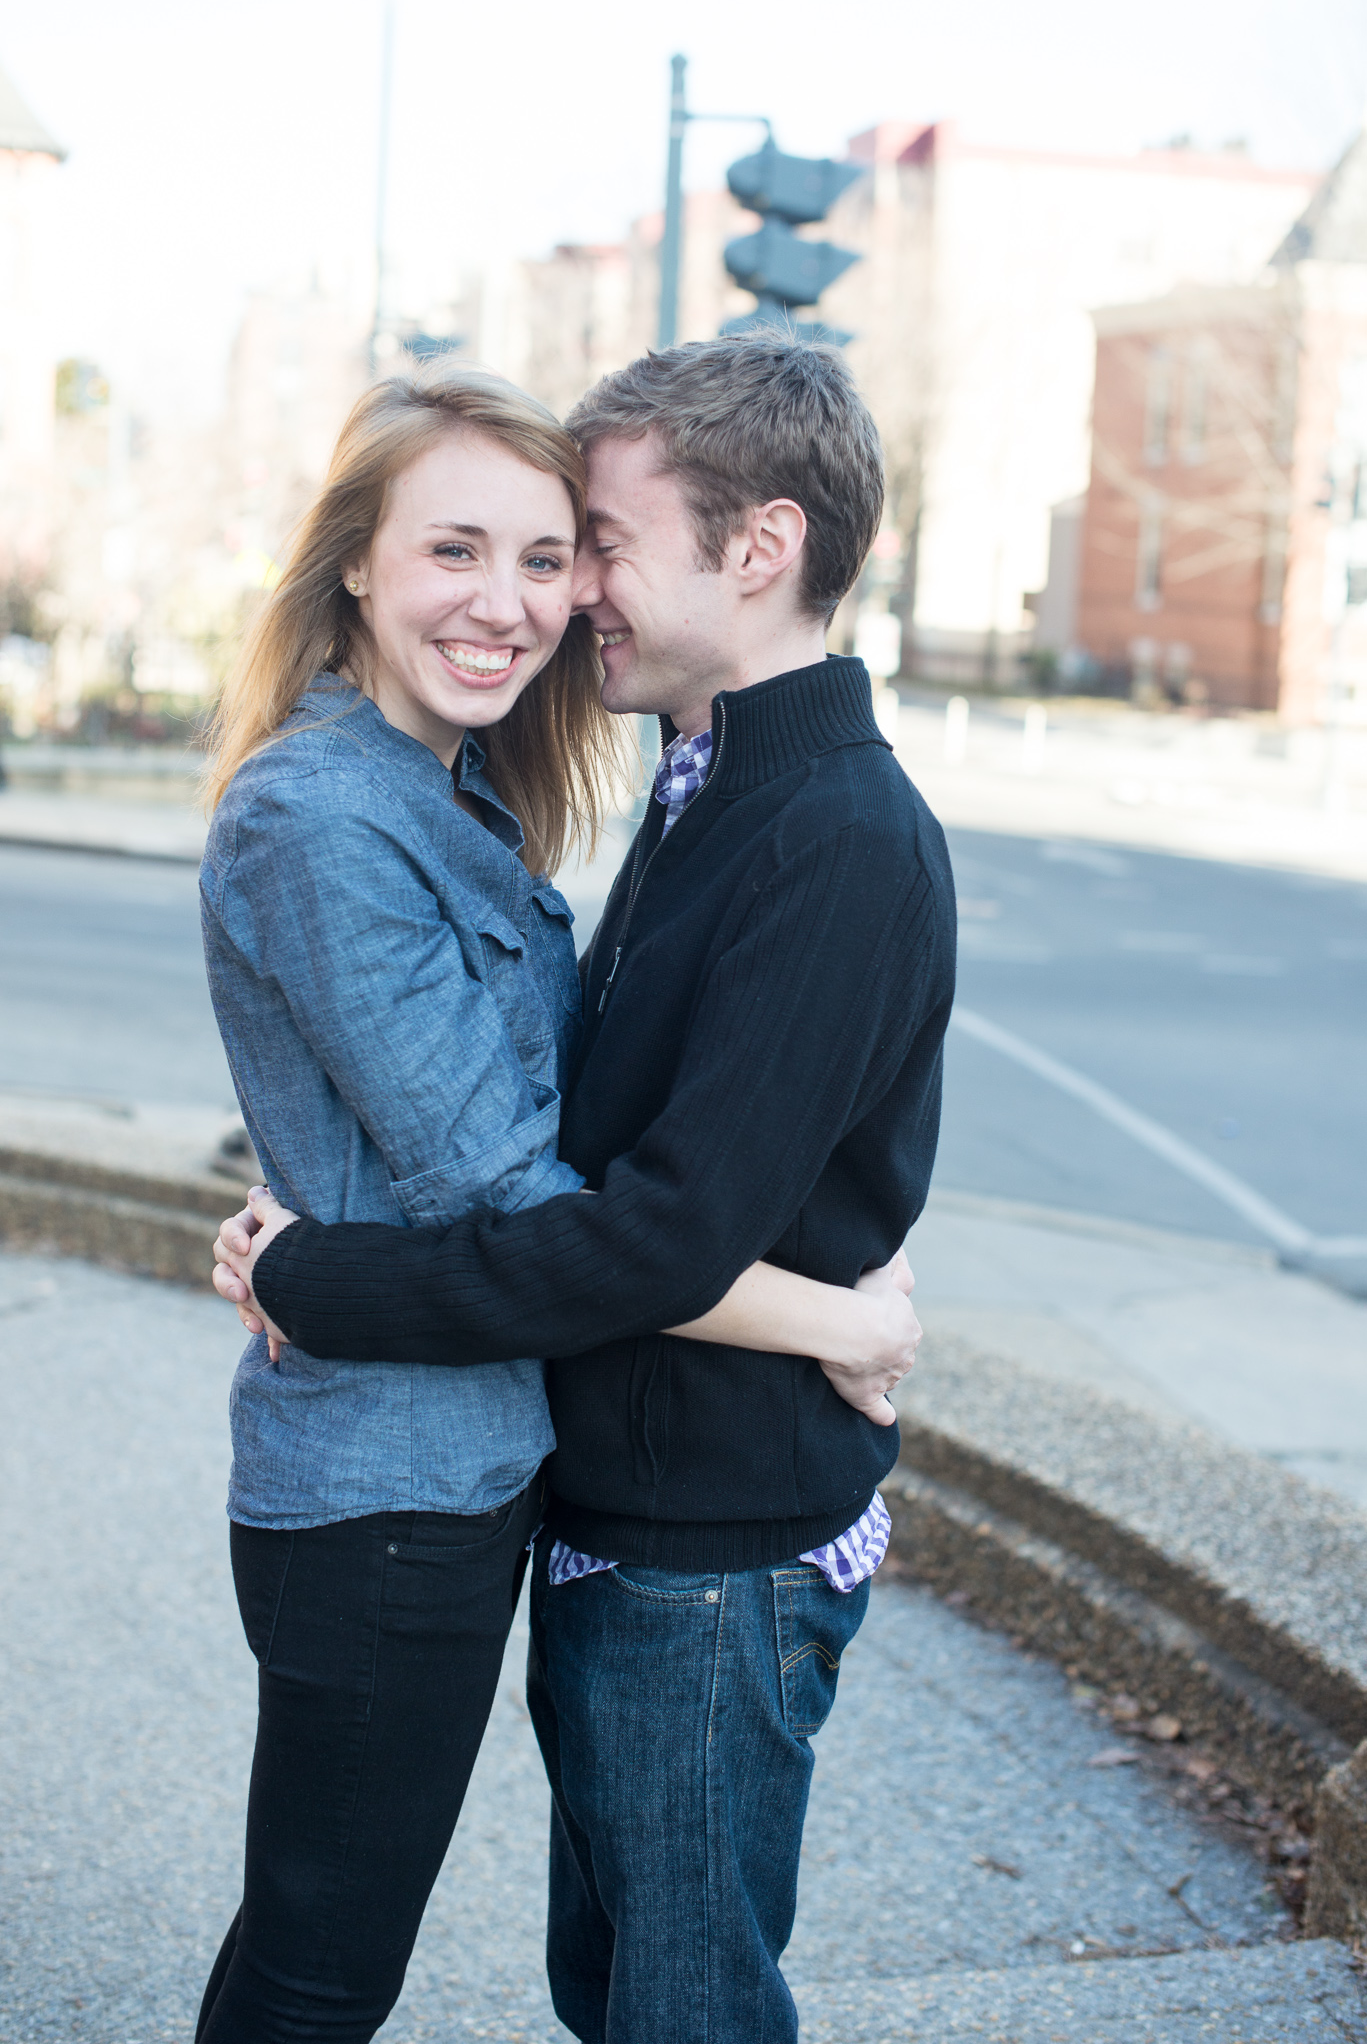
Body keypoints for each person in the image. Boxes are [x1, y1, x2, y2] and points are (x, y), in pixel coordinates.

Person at [214, 334, 956, 2044]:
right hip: (563, 1492)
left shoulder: (825, 831)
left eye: (580, 547)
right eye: (475, 551)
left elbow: (651, 1220)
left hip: (702, 1534)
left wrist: (322, 1277)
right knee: (576, 1980)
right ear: (358, 567)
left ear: (755, 549)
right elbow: (571, 1165)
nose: (561, 600)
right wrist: (835, 1311)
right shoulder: (683, 789)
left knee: (667, 1998)